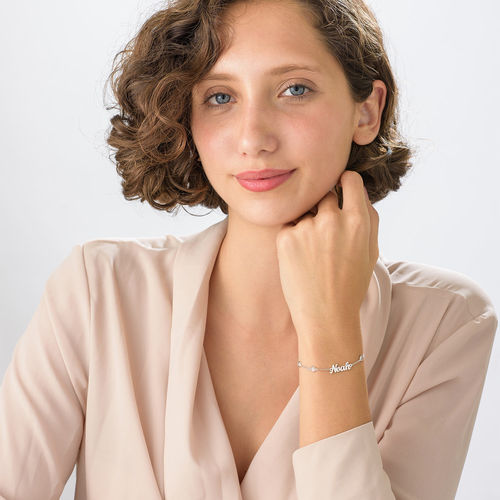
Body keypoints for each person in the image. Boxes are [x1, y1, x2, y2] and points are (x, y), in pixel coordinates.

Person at [0, 0, 497, 498]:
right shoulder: (96, 291)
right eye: (220, 97)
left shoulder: (446, 322)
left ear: (366, 110)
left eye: (294, 89)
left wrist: (331, 333)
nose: (253, 138)